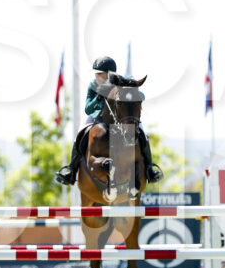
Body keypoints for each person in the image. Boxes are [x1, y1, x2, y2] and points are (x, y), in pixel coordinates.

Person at [55, 56, 162, 186]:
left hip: (122, 118)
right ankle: (71, 170)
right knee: (80, 133)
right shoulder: (94, 85)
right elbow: (88, 109)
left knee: (143, 133)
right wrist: (98, 98)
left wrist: (133, 92)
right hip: (97, 116)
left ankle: (150, 169)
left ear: (109, 74)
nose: (96, 76)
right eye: (96, 73)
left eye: (100, 73)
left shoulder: (121, 82)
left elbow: (141, 96)